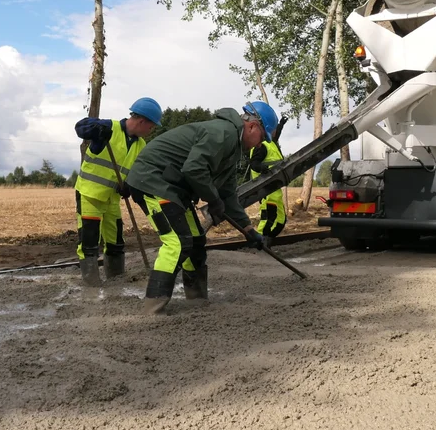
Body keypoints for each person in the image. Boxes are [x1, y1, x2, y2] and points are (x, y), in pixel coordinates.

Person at [125, 101, 277, 314]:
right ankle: (152, 308)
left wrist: (248, 230)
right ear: (252, 127)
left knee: (196, 242)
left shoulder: (232, 149)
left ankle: (196, 300)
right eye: (263, 137)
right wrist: (213, 200)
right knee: (178, 242)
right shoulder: (222, 133)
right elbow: (194, 169)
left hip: (174, 190)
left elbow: (228, 195)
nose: (260, 144)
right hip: (153, 181)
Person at [73, 98, 162, 286]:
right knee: (89, 243)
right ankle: (92, 286)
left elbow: (137, 173)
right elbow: (81, 127)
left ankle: (117, 281)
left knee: (115, 242)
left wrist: (128, 186)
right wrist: (96, 130)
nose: (150, 131)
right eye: (151, 126)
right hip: (90, 196)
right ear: (142, 121)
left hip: (112, 199)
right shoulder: (108, 128)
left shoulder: (140, 145)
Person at [249, 119, 287, 246]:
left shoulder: (271, 143)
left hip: (275, 190)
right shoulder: (261, 146)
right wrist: (263, 169)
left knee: (280, 221)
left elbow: (276, 136)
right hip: (266, 190)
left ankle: (267, 241)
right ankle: (261, 244)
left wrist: (281, 125)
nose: (275, 132)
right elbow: (254, 164)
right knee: (268, 220)